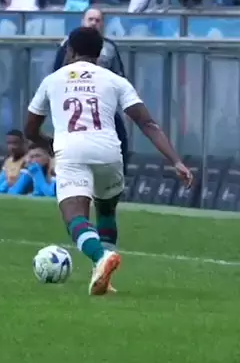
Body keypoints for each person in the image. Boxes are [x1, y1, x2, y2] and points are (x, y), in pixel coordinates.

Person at [25, 27, 192, 296]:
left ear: (70, 51)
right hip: (109, 151)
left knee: (75, 217)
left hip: (72, 151)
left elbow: (30, 130)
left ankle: (101, 257)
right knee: (105, 211)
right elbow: (147, 123)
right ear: (100, 53)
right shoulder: (115, 80)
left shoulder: (52, 80)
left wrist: (50, 144)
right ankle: (102, 274)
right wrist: (176, 161)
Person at [53, 7, 129, 167]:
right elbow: (57, 74)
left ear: (103, 24)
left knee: (120, 140)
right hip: (74, 106)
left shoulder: (109, 47)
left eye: (97, 20)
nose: (94, 23)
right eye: (90, 19)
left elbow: (119, 76)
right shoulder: (67, 45)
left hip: (103, 106)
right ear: (83, 21)